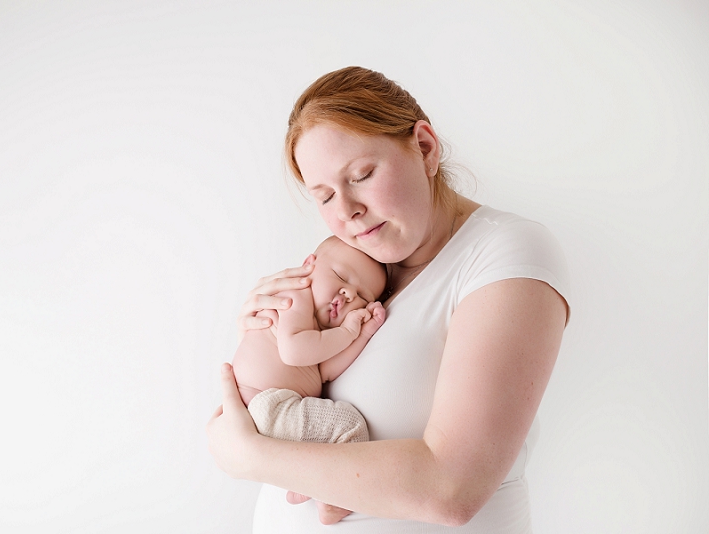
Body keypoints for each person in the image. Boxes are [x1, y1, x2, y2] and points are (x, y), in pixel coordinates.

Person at [207, 66, 570, 533]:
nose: (345, 211)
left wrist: (251, 455)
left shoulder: (506, 252)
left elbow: (452, 489)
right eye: (322, 196)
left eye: (361, 175)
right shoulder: (347, 265)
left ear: (424, 147)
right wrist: (262, 337)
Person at [233, 235, 386, 450]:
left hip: (275, 407)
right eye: (340, 276)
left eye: (363, 296)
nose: (349, 293)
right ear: (308, 265)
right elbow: (293, 351)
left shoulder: (318, 336)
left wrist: (364, 333)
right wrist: (348, 331)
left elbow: (326, 372)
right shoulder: (295, 296)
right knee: (350, 426)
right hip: (263, 402)